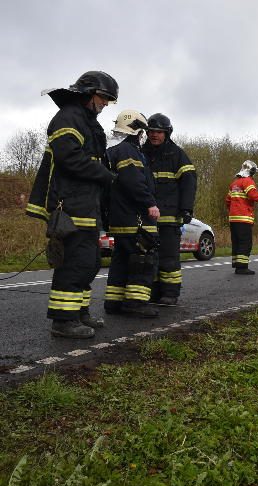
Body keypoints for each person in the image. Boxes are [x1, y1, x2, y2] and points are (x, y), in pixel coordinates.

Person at [25, 70, 118, 338]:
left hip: (87, 205)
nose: (105, 104)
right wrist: (106, 175)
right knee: (74, 263)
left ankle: (79, 313)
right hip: (70, 205)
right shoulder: (68, 116)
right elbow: (70, 158)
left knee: (88, 263)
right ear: (88, 94)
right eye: (103, 98)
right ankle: (63, 321)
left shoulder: (86, 121)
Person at [103, 110, 160, 318]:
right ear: (135, 130)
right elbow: (134, 181)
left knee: (121, 259)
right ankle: (136, 303)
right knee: (142, 259)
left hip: (119, 218)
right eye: (142, 132)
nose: (143, 136)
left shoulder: (112, 151)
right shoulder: (129, 151)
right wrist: (150, 203)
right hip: (136, 219)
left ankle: (114, 302)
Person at [142, 113, 196, 305]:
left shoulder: (177, 154)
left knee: (169, 257)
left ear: (167, 133)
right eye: (151, 131)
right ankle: (154, 292)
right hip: (147, 219)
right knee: (149, 257)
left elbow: (189, 183)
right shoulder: (142, 153)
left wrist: (186, 209)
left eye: (159, 132)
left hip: (170, 217)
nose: (154, 135)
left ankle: (170, 293)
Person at [225, 160, 258, 275]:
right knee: (245, 242)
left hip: (233, 219)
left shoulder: (234, 184)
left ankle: (237, 265)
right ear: (251, 171)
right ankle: (242, 267)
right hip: (244, 218)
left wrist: (233, 211)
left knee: (236, 242)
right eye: (254, 172)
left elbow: (227, 201)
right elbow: (253, 194)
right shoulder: (248, 181)